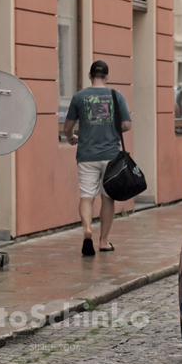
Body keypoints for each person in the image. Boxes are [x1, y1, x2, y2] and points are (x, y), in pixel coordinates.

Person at [63, 60, 132, 257]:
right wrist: (111, 128)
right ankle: (103, 241)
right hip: (111, 156)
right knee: (107, 197)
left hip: (86, 155)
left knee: (87, 196)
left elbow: (68, 127)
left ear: (89, 75)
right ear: (107, 77)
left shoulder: (79, 97)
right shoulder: (116, 96)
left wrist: (70, 137)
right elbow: (127, 125)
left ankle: (87, 230)